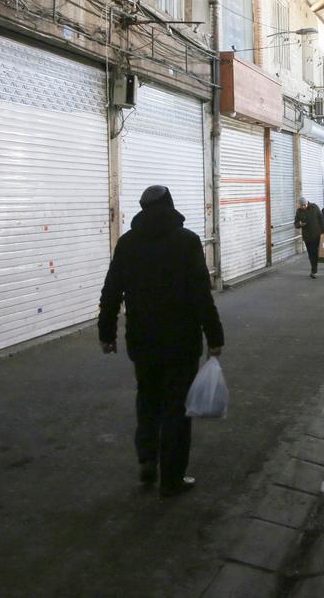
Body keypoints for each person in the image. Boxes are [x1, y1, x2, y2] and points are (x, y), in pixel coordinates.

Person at [99, 185, 224, 497]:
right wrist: (215, 336)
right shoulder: (186, 241)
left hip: (142, 341)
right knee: (176, 410)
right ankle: (171, 478)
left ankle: (147, 459)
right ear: (170, 205)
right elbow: (200, 295)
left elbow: (112, 290)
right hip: (181, 342)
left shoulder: (127, 243)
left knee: (147, 401)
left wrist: (106, 333)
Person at [295, 196, 324, 278]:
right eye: (302, 205)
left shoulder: (314, 207)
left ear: (307, 203)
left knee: (316, 252)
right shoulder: (299, 211)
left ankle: (315, 269)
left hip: (317, 235)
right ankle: (314, 269)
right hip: (307, 237)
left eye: (304, 205)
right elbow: (296, 223)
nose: (303, 207)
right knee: (311, 254)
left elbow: (321, 219)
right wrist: (299, 224)